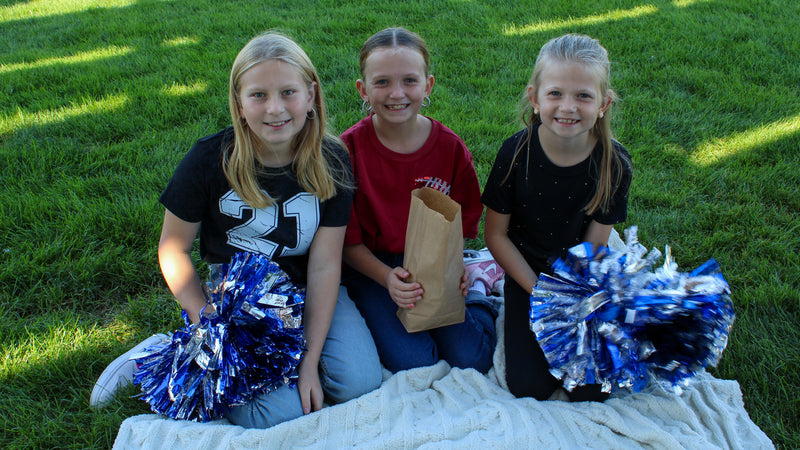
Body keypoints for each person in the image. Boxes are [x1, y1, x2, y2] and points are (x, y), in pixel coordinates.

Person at [90, 32, 382, 427]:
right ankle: (166, 350)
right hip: (238, 302)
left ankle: (293, 359)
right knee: (272, 415)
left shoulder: (331, 159)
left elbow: (326, 264)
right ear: (239, 103)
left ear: (311, 95)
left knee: (359, 384)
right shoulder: (210, 159)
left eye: (288, 92)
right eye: (258, 95)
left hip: (307, 287)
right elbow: (172, 250)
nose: (275, 108)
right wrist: (208, 322)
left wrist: (310, 360)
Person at [481, 34, 632, 402]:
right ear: (534, 98)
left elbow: (596, 245)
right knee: (529, 386)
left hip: (580, 277)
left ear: (604, 103)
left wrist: (575, 300)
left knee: (592, 389)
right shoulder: (515, 154)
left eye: (583, 95)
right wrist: (540, 293)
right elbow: (495, 236)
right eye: (555, 94)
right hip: (526, 274)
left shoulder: (615, 164)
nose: (568, 106)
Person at [340, 27, 497, 374]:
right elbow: (347, 243)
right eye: (382, 82)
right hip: (372, 266)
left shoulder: (450, 149)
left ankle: (479, 294)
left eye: (409, 81)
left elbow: (464, 219)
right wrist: (387, 278)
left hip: (433, 260)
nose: (396, 93)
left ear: (428, 86)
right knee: (414, 361)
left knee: (473, 359)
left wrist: (455, 268)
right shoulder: (348, 152)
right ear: (362, 89)